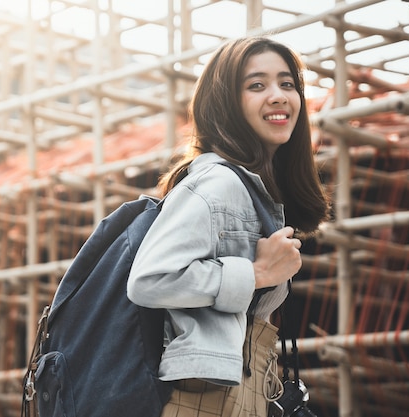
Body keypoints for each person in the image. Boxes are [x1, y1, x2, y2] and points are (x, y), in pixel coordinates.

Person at [126, 36, 329, 417]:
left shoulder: (255, 189)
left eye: (287, 84)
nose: (278, 95)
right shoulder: (219, 183)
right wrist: (256, 272)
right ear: (225, 102)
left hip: (240, 384)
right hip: (205, 395)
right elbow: (149, 279)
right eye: (257, 85)